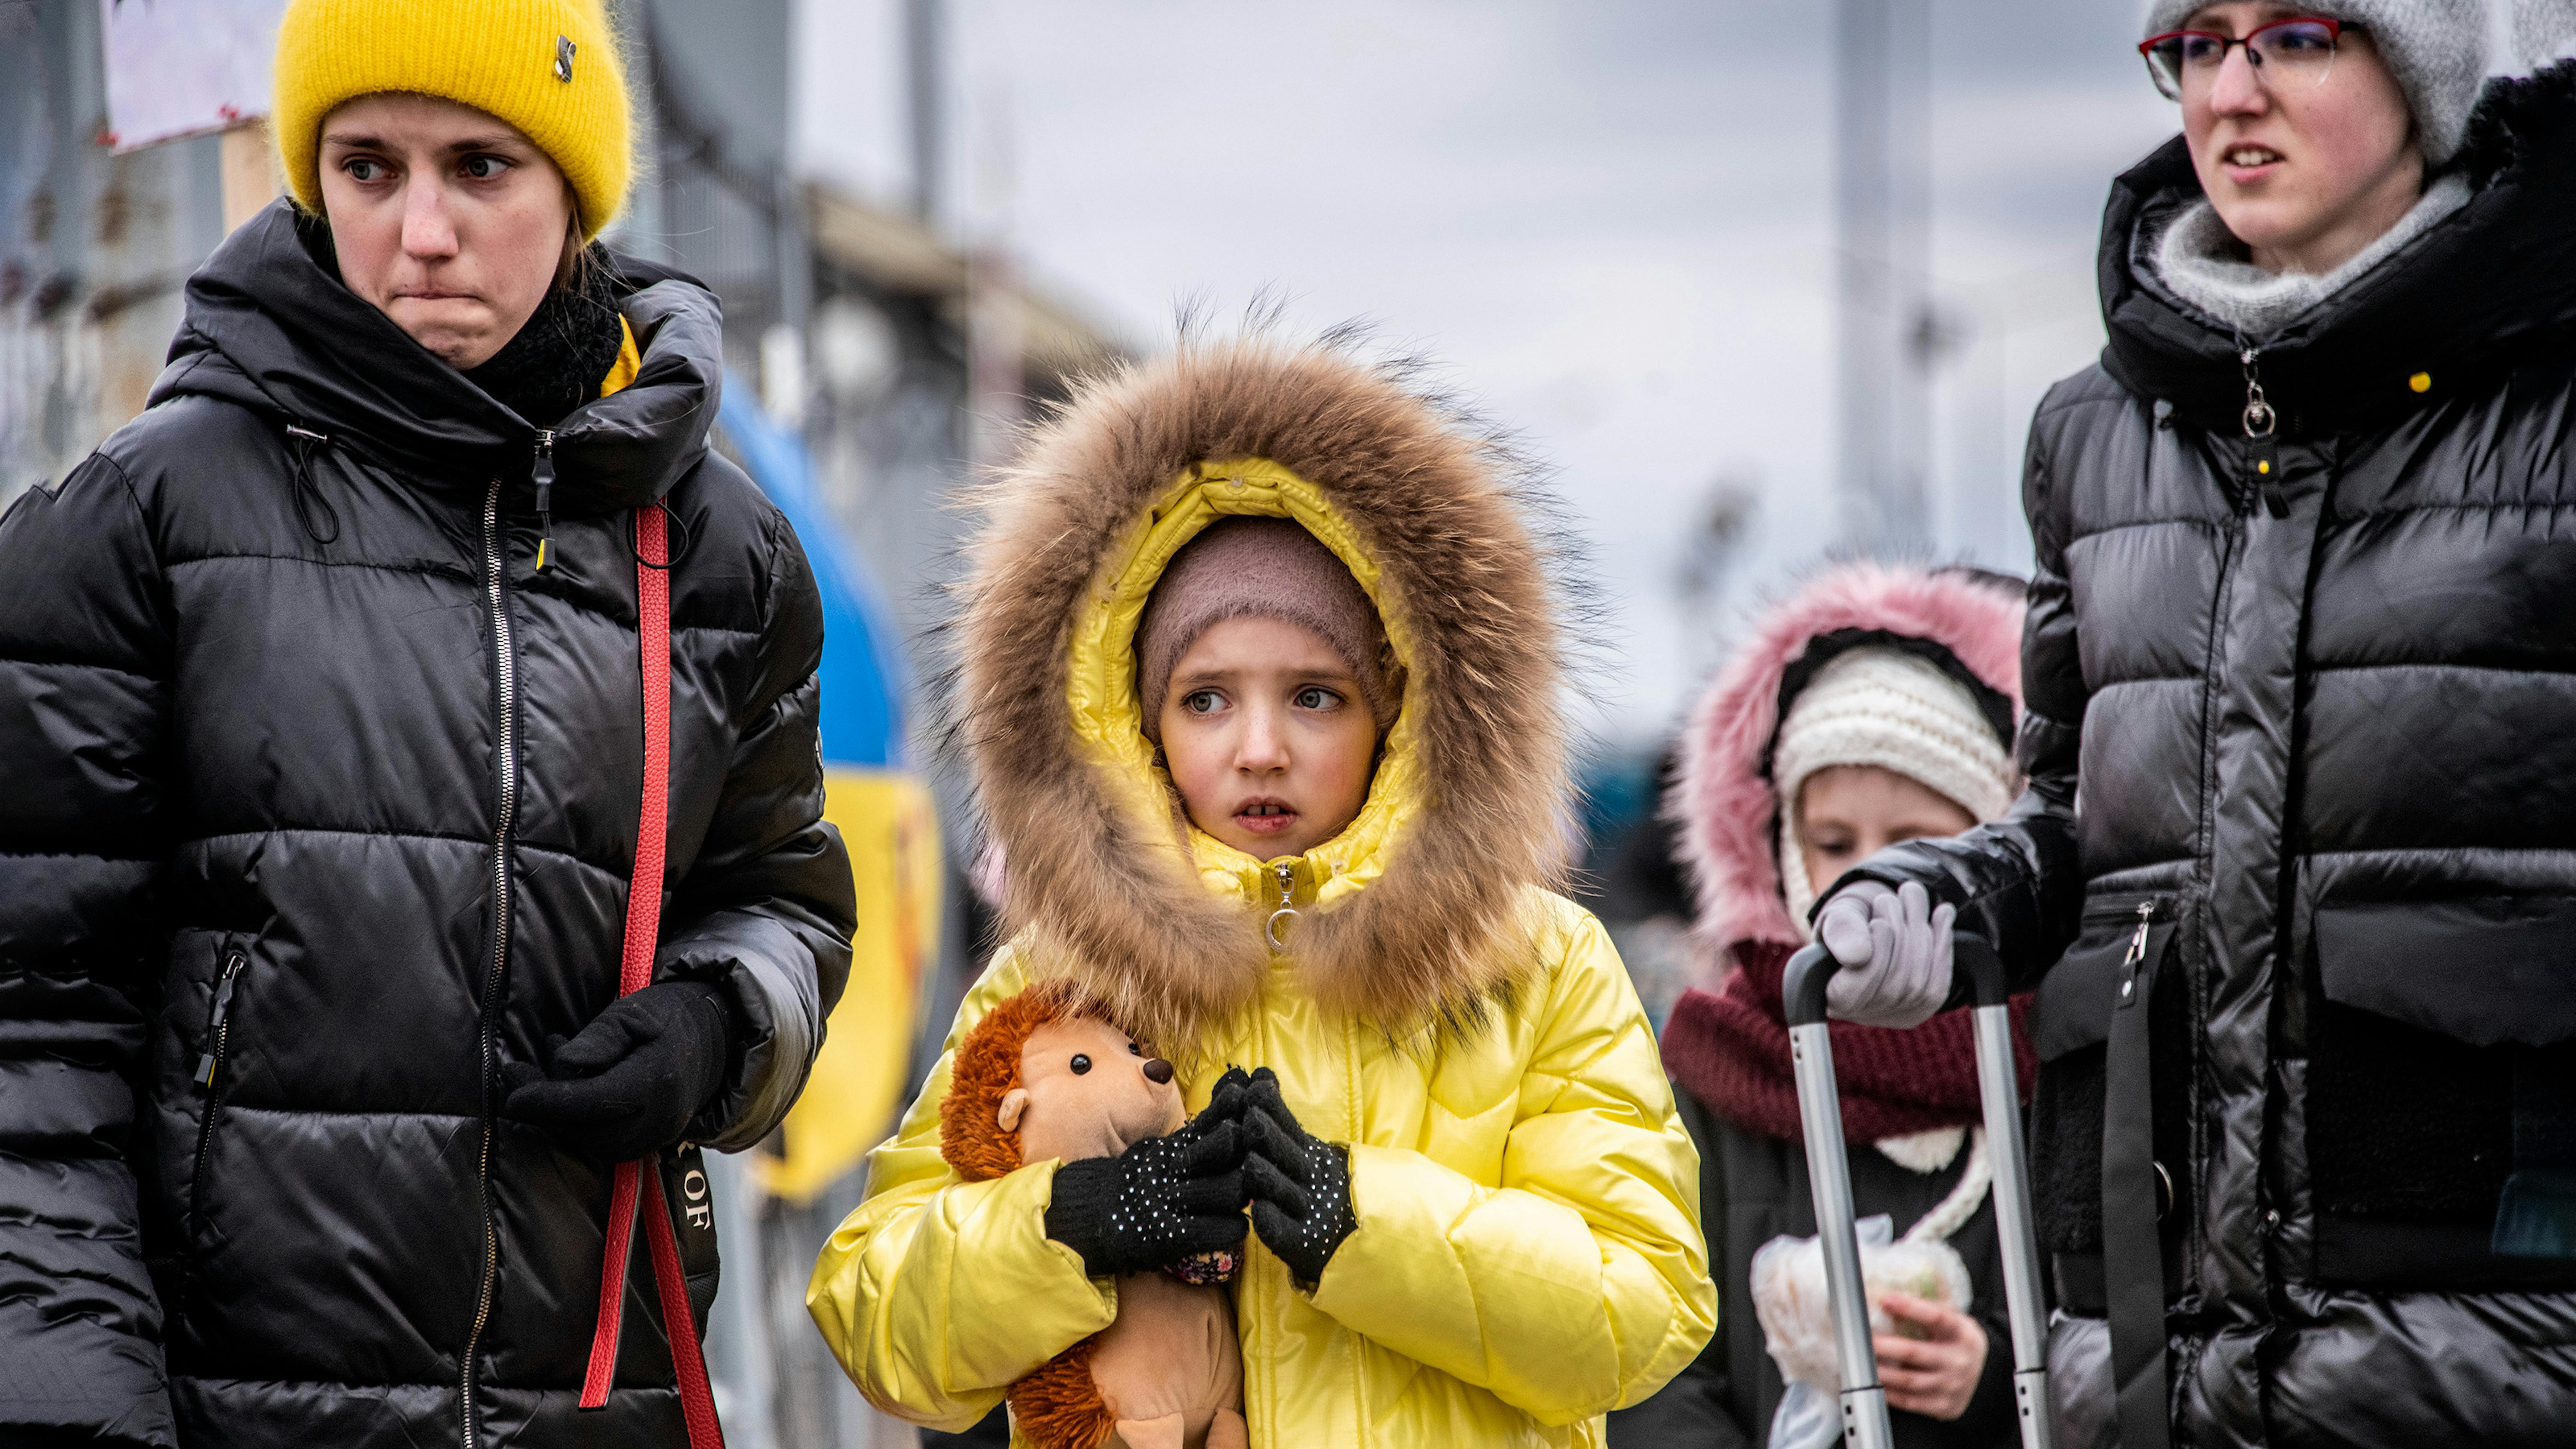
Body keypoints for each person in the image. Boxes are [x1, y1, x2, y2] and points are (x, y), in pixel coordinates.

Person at [0, 1, 856, 1444]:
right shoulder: (141, 521)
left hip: (599, 1403)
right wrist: (81, 1414)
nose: (420, 231)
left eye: (479, 167)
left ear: (574, 188)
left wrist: (723, 1021)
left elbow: (780, 898)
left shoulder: (720, 553)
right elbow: (32, 1045)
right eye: (367, 167)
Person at [1805, 5, 2576, 1445]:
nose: (2229, 92)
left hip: (2494, 1360)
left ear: (2421, 67)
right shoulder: (2090, 435)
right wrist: (1938, 895)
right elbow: (2071, 820)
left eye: (2291, 36)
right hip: (2153, 1366)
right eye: (2193, 43)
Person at [806, 337, 1716, 1446]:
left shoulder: (1543, 962)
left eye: (1317, 696)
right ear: (1134, 720)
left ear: (1400, 706)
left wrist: (1359, 1221)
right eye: (1205, 699)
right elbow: (874, 1316)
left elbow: (1648, 1304)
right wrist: (1078, 1222)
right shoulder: (1057, 975)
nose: (1261, 749)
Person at [1607, 564, 2033, 1449]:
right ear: (1787, 852)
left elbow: (2135, 1346)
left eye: (1916, 843)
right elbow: (1648, 1359)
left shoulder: (2054, 1060)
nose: (1864, 878)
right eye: (1833, 843)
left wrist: (1996, 1382)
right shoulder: (1725, 1066)